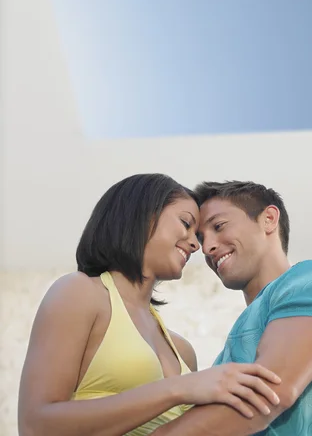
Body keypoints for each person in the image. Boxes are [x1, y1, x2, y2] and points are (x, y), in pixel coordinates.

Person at [18, 174, 283, 436]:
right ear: (142, 216)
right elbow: (35, 425)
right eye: (185, 223)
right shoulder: (79, 293)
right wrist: (179, 389)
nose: (195, 245)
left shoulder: (182, 351)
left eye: (197, 237)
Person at [154, 180, 312, 436]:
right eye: (201, 238)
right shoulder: (238, 339)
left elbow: (271, 392)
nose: (207, 247)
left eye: (219, 226)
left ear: (269, 219)